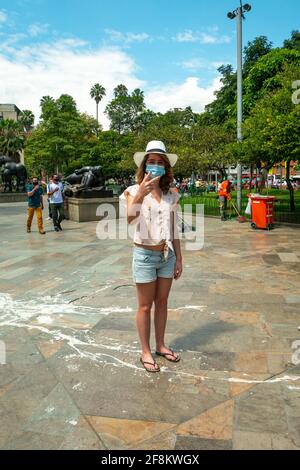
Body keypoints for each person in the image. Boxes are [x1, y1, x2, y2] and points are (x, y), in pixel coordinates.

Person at [120, 141, 183, 373]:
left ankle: (161, 345)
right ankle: (145, 351)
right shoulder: (133, 190)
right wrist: (141, 194)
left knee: (163, 302)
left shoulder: (171, 194)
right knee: (145, 306)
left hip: (167, 255)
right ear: (145, 165)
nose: (155, 166)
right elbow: (129, 219)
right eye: (151, 162)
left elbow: (175, 227)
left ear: (166, 168)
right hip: (145, 255)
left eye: (160, 163)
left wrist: (179, 258)